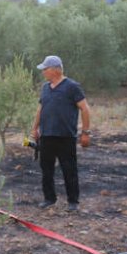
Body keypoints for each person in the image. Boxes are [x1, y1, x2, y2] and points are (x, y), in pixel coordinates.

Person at [30, 55, 91, 212]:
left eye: (45, 69)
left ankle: (73, 202)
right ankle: (49, 198)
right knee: (46, 169)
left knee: (69, 169)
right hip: (46, 136)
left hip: (66, 137)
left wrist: (85, 132)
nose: (43, 72)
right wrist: (34, 128)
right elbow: (40, 109)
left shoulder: (72, 87)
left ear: (55, 70)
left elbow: (85, 108)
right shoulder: (45, 88)